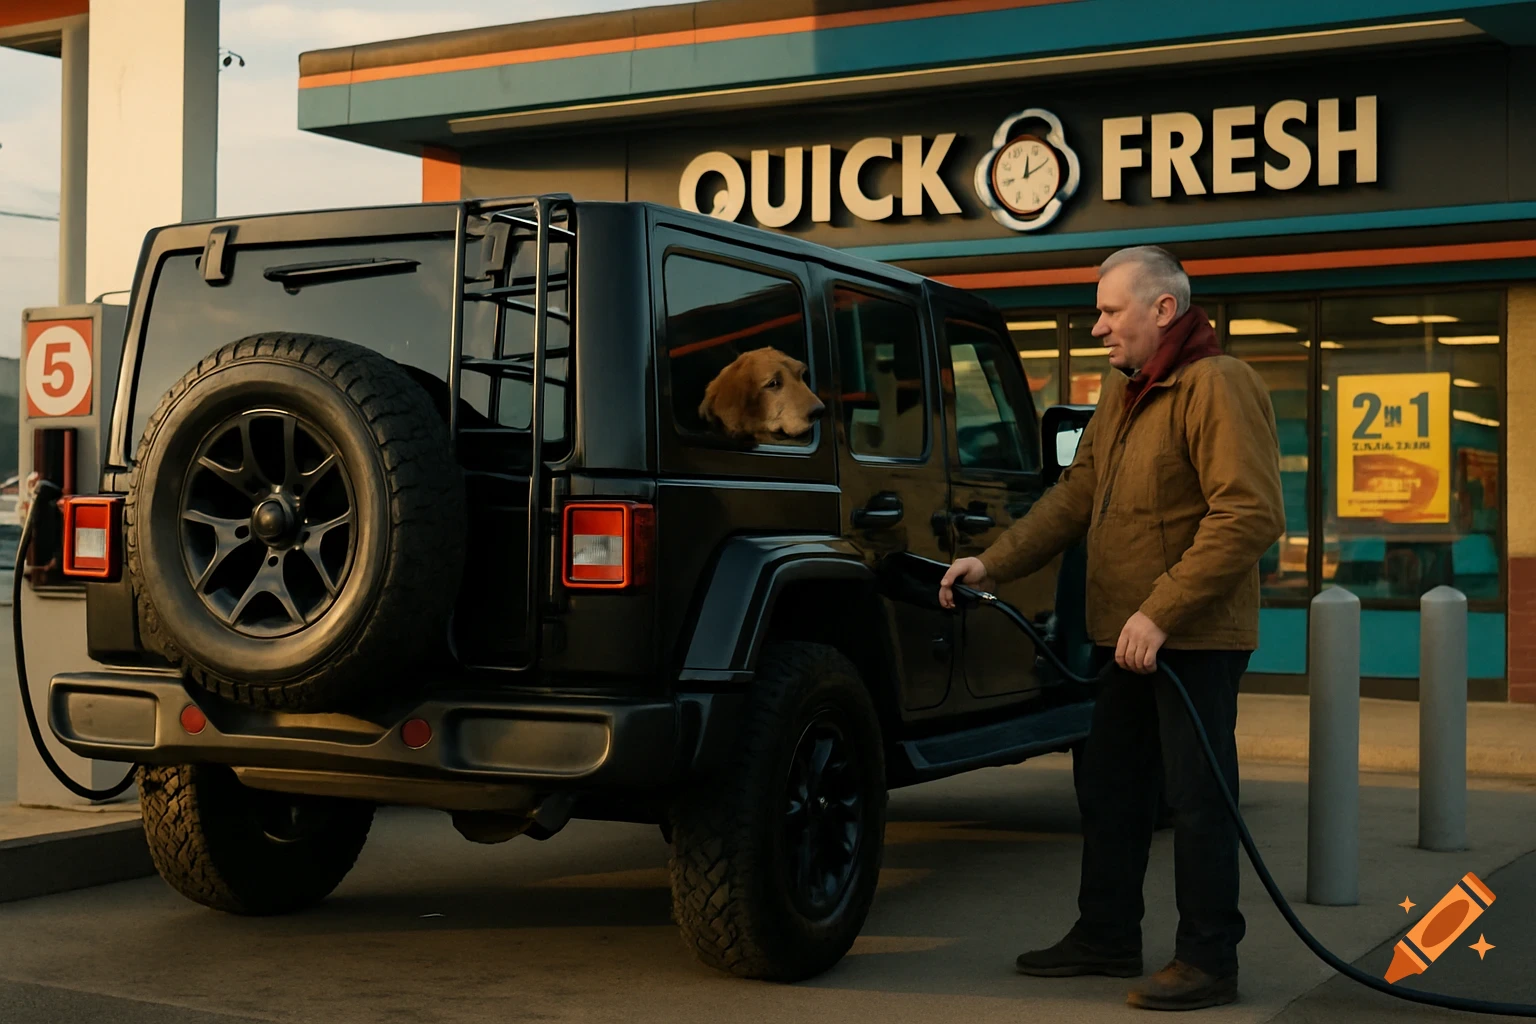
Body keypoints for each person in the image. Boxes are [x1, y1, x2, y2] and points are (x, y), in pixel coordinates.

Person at [940, 246, 1284, 1012]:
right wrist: (990, 564)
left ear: (1164, 309)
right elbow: (1073, 499)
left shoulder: (1217, 386)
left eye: (1109, 310)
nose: (1097, 327)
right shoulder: (1123, 393)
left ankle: (1207, 961)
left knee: (1196, 800)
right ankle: (1104, 935)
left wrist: (1161, 612)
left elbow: (1249, 514)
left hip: (1190, 638)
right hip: (1121, 636)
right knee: (1110, 789)